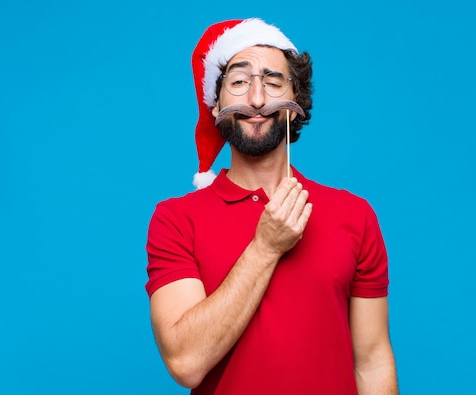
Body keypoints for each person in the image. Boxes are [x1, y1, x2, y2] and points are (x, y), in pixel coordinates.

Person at [145, 18, 399, 395]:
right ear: (216, 107)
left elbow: (373, 361)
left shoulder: (354, 215)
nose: (258, 99)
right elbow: (185, 363)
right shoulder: (175, 220)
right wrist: (265, 247)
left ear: (295, 106)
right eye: (239, 82)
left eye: (273, 81)